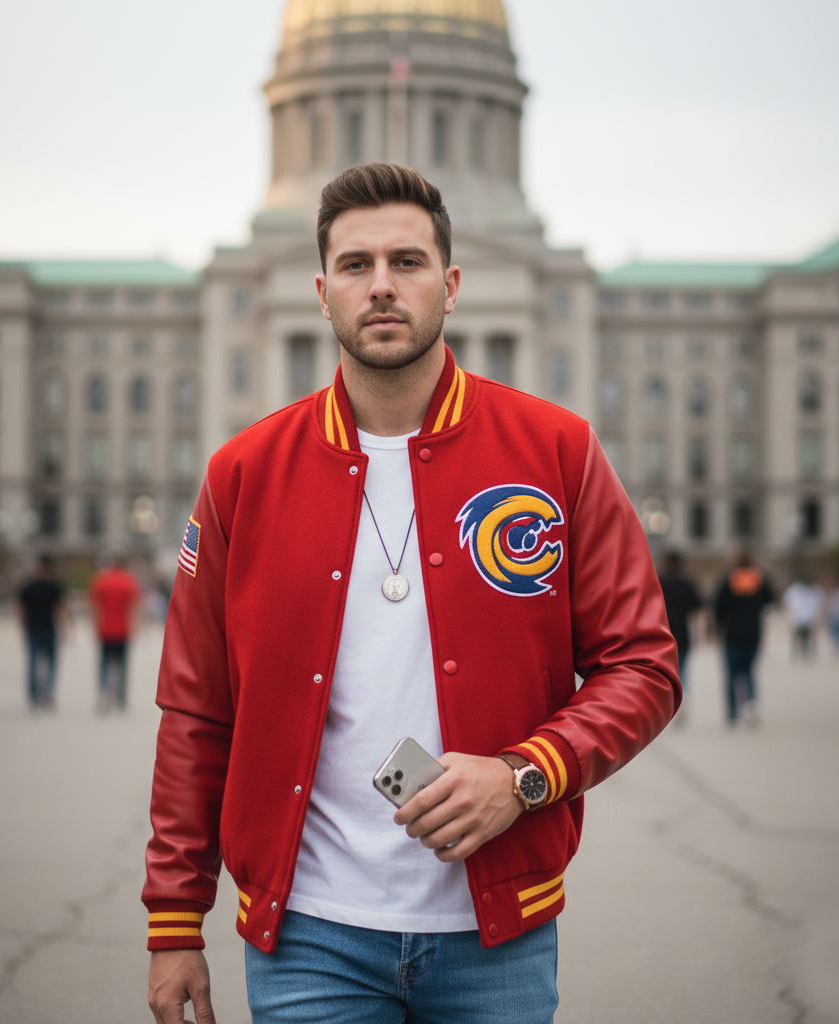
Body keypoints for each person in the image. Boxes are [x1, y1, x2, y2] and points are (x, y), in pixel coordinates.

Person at [143, 163, 680, 1024]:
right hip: (309, 934)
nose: (382, 286)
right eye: (355, 265)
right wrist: (174, 920)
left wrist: (524, 776)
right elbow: (196, 709)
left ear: (453, 284)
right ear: (321, 293)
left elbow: (642, 666)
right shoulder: (243, 474)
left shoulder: (557, 450)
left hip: (496, 936)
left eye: (407, 261)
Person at [713, 548, 774, 726]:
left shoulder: (729, 579)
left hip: (732, 633)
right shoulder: (758, 579)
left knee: (731, 674)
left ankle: (732, 714)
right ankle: (751, 705)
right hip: (753, 632)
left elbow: (719, 606)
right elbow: (770, 599)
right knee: (749, 671)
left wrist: (716, 629)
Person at [89, 556, 140, 711]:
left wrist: (94, 626)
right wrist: (137, 626)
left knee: (104, 664)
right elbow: (134, 606)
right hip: (123, 630)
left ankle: (103, 693)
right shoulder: (127, 581)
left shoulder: (101, 581)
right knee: (122, 665)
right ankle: (121, 697)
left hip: (105, 629)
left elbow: (95, 605)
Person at [17, 555, 68, 709]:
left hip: (33, 628)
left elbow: (22, 609)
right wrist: (64, 628)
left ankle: (34, 696)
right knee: (51, 664)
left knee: (33, 663)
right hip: (48, 628)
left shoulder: (29, 586)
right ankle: (48, 692)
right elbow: (60, 608)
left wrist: (22, 628)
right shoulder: (54, 586)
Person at [657, 550, 703, 724]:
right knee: (682, 669)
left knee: (664, 673)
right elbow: (696, 608)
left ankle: (667, 706)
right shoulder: (687, 583)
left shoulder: (659, 581)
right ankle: (683, 699)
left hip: (663, 634)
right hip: (683, 634)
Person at [782, 575, 824, 659]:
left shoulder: (814, 589)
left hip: (808, 618)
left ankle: (809, 653)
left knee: (808, 637)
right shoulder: (795, 589)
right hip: (799, 618)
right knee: (800, 637)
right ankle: (798, 654)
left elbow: (821, 603)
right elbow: (786, 602)